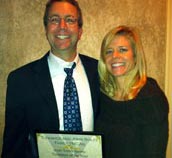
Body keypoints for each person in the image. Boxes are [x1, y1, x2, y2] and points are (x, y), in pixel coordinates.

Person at [1, 0, 99, 157]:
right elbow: (13, 145)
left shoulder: (100, 72)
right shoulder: (21, 80)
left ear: (80, 31)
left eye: (70, 20)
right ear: (46, 29)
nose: (62, 26)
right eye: (54, 19)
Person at [95, 25, 169, 158]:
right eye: (109, 51)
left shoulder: (150, 97)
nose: (115, 56)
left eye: (122, 50)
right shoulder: (101, 95)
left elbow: (155, 153)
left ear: (135, 56)